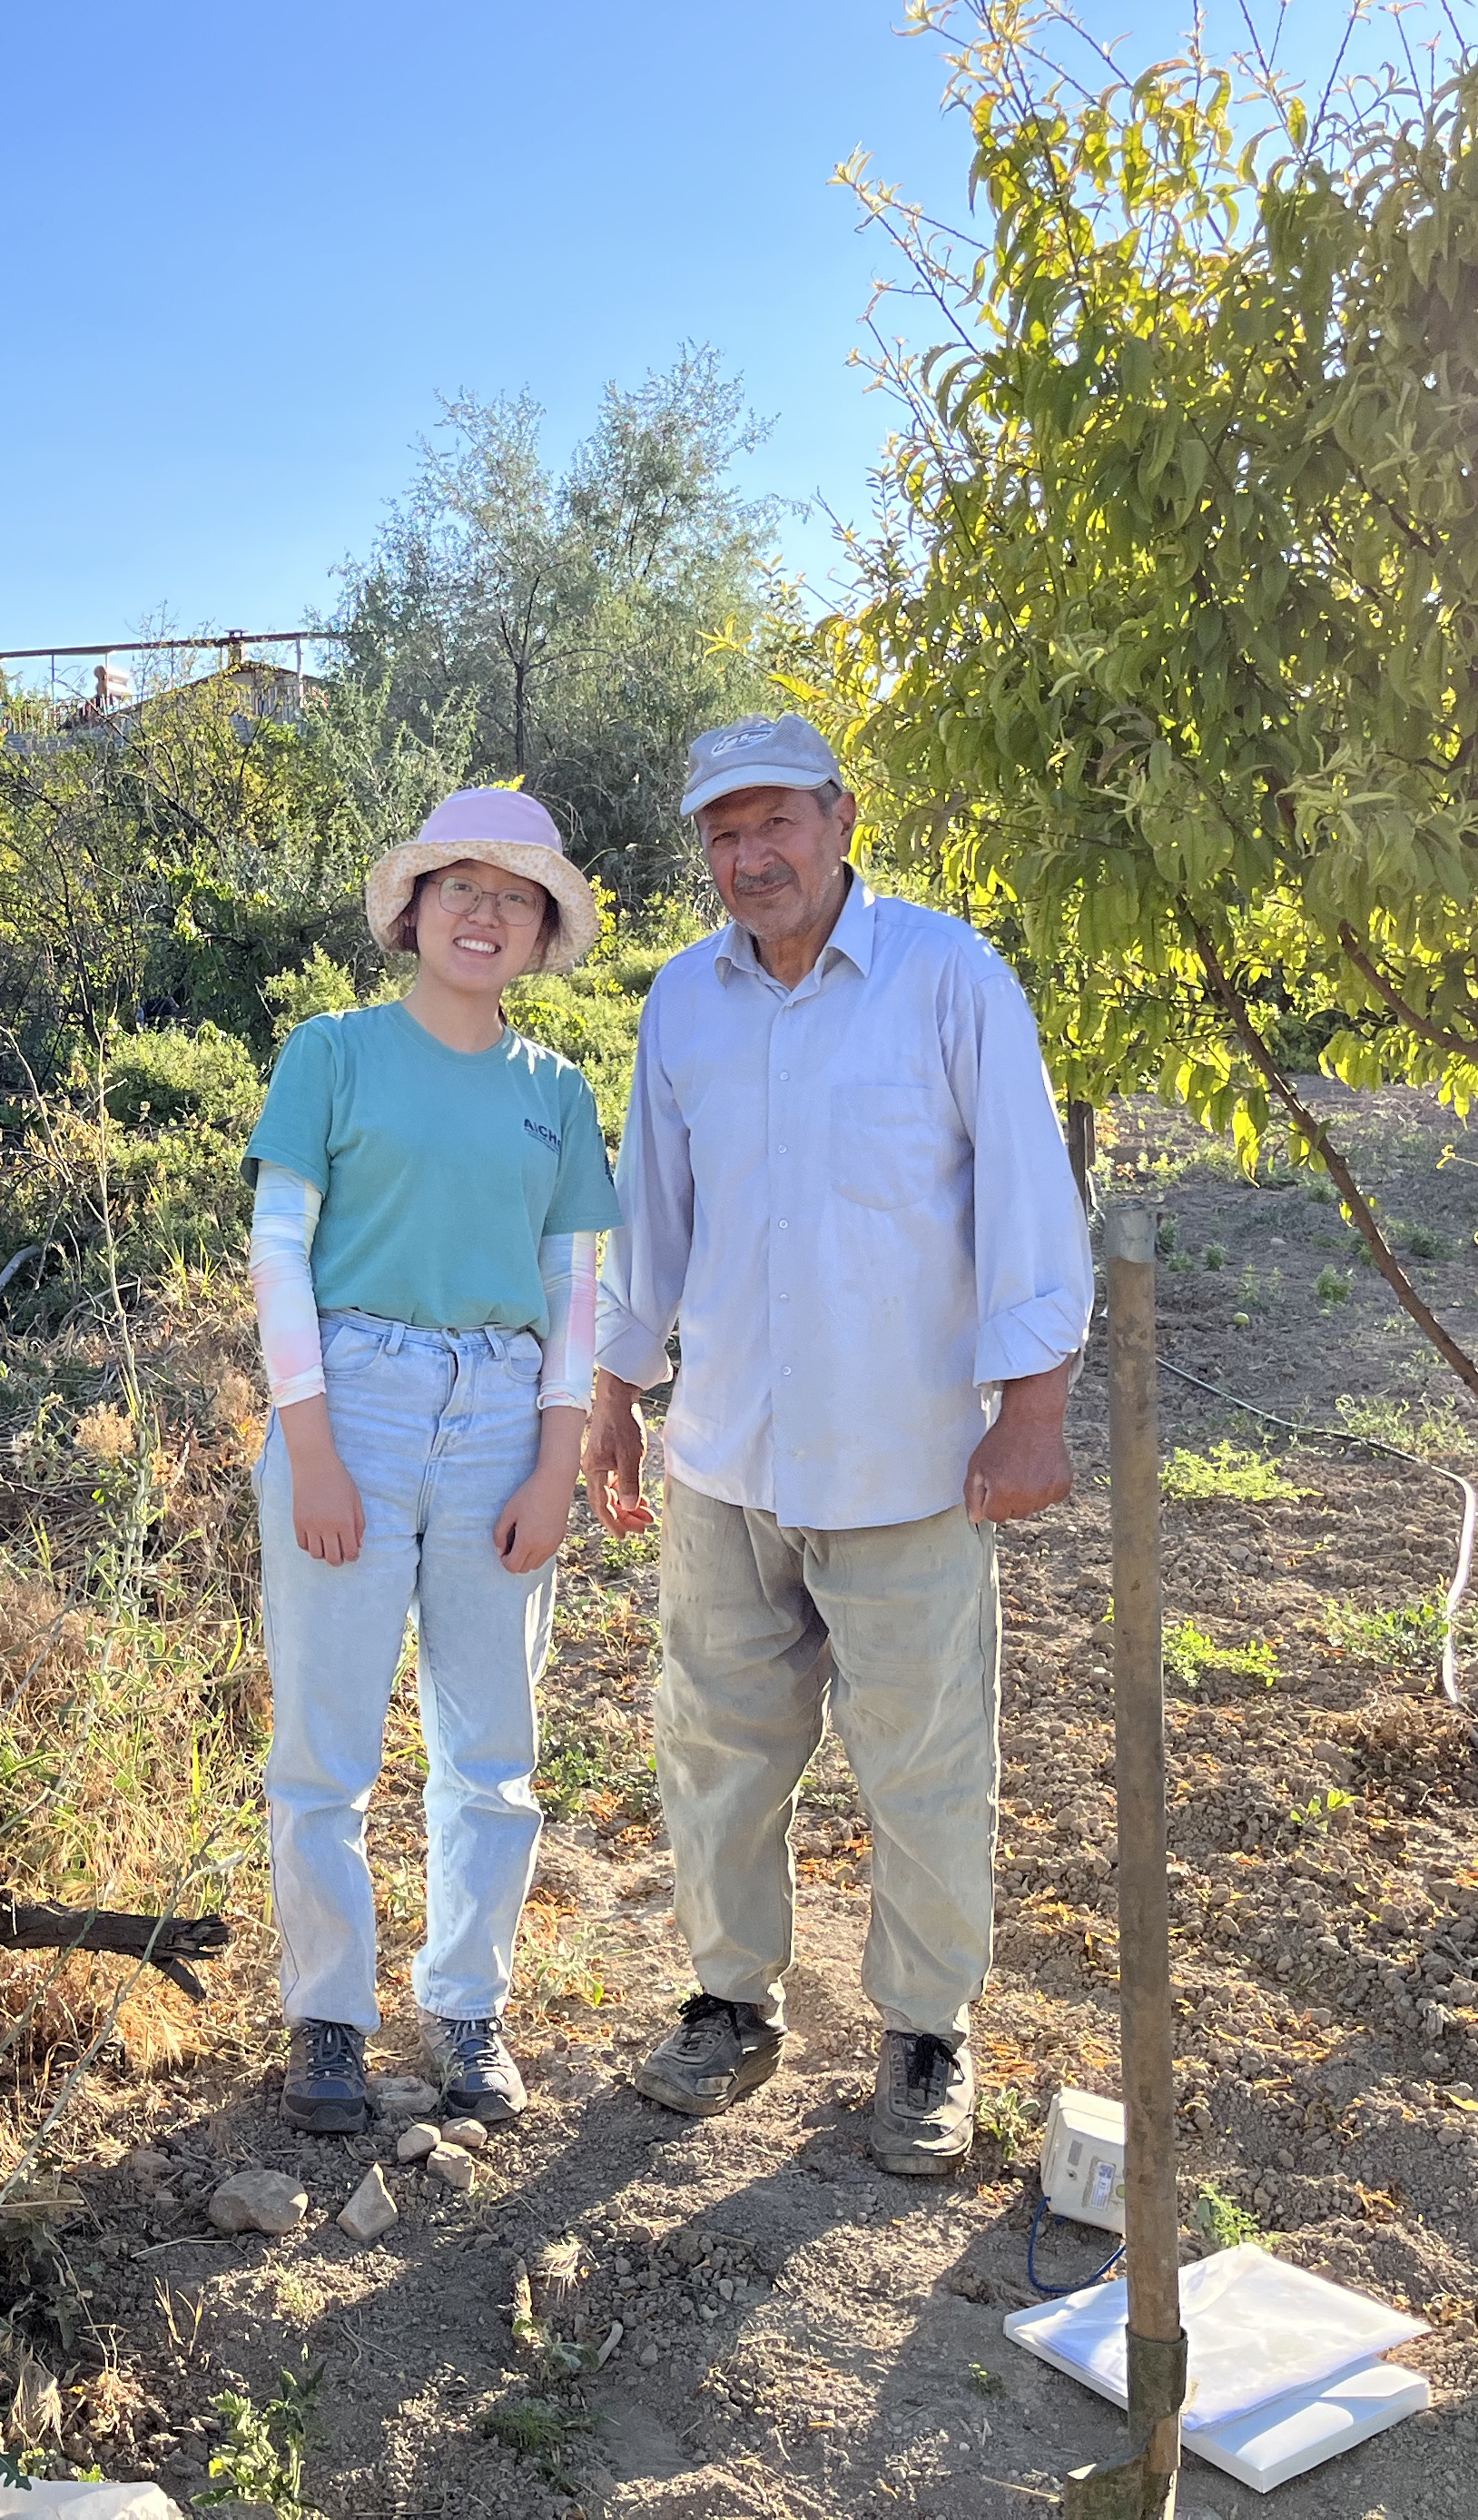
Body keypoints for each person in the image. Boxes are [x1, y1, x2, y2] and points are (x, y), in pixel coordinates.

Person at [586, 714, 1089, 2174]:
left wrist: (1035, 1405)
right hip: (728, 1453)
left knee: (923, 1761)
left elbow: (1026, 1193)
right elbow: (651, 1216)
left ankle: (928, 2033)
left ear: (841, 818)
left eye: (775, 825)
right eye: (722, 836)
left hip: (904, 1458)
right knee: (719, 1749)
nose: (751, 858)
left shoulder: (948, 978)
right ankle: (731, 2004)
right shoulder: (682, 1003)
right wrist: (622, 1389)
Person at [244, 786, 621, 2134]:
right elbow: (279, 1247)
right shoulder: (332, 1053)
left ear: (540, 933)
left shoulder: (558, 1093)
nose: (484, 912)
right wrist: (316, 1448)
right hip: (352, 1402)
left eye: (515, 897)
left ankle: (469, 2013)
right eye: (461, 885)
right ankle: (330, 2021)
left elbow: (574, 1283)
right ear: (413, 910)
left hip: (502, 1425)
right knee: (325, 1748)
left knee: (492, 1750)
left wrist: (556, 1461)